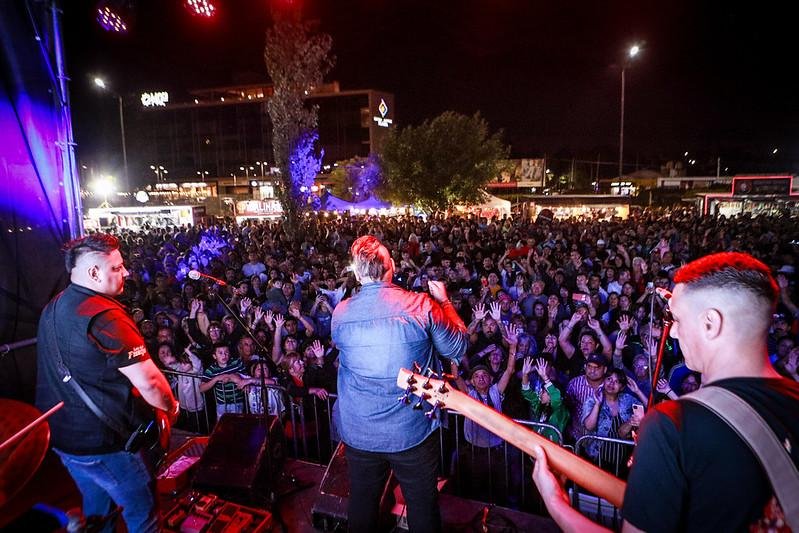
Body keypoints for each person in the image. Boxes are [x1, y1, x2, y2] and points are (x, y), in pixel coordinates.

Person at [532, 252, 799, 532]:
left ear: (711, 323)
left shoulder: (674, 425)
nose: (671, 334)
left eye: (678, 320)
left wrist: (555, 502)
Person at [35, 233, 179, 533]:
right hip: (106, 444)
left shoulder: (52, 308)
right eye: (117, 266)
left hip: (64, 440)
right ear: (94, 272)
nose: (125, 272)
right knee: (144, 516)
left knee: (98, 512)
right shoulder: (106, 317)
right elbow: (151, 382)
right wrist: (171, 406)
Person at [332, 235, 469, 533]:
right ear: (391, 266)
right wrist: (444, 301)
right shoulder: (421, 306)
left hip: (360, 431)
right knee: (421, 506)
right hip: (411, 431)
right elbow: (457, 347)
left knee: (363, 503)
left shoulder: (340, 313)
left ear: (356, 273)